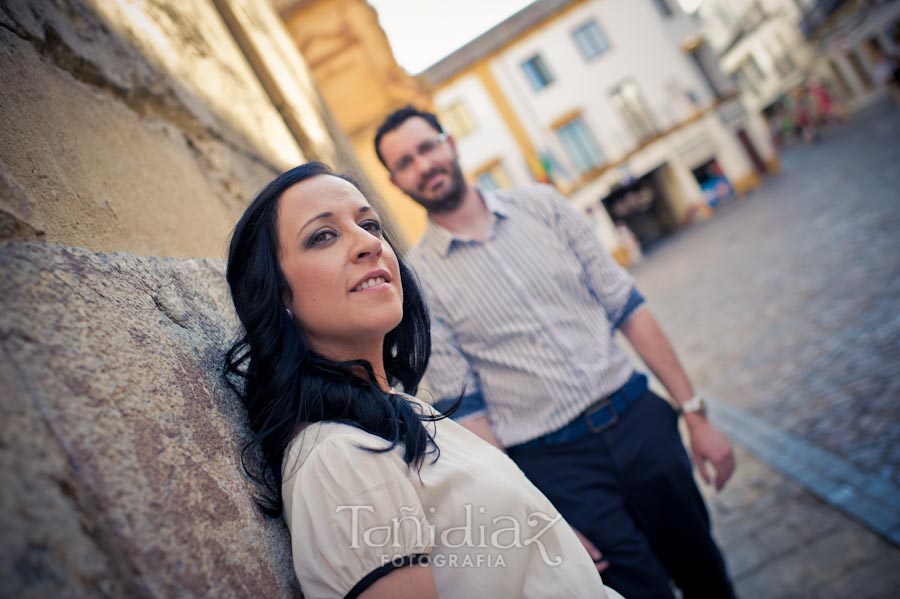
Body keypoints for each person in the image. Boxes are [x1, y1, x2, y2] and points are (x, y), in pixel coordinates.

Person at [374, 106, 737, 599]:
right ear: (396, 181)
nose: (423, 165)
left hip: (640, 422)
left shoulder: (543, 206)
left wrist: (695, 414)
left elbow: (626, 306)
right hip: (560, 467)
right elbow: (472, 413)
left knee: (707, 575)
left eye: (427, 147)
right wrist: (542, 514)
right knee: (638, 593)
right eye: (405, 162)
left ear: (450, 143)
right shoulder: (419, 280)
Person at [223, 162, 624, 598]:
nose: (367, 244)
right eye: (323, 236)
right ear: (279, 294)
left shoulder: (402, 408)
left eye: (369, 224)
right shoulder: (338, 461)